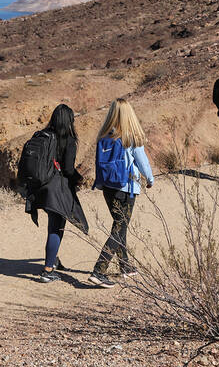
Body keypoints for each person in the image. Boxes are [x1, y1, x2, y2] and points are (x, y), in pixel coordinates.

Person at [88, 99, 156, 289]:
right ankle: (98, 271)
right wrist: (150, 179)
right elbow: (143, 163)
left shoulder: (104, 136)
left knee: (120, 225)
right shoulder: (130, 137)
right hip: (125, 188)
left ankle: (125, 265)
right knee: (119, 228)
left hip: (108, 187)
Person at [26, 104, 87, 283]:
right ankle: (47, 270)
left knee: (53, 224)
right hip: (56, 189)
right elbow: (68, 169)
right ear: (69, 121)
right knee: (56, 227)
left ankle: (53, 260)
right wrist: (79, 178)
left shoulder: (43, 136)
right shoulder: (68, 140)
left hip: (40, 187)